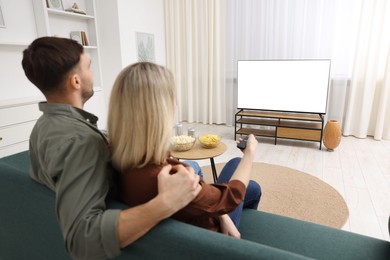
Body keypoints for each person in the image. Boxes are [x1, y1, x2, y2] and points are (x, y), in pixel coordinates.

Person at [21, 36, 202, 260]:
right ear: (75, 81)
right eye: (89, 66)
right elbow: (81, 240)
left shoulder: (44, 126)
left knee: (191, 165)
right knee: (200, 169)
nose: (92, 73)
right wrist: (164, 204)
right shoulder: (82, 142)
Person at [108, 62, 261, 237]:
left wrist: (221, 213)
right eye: (173, 97)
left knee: (253, 187)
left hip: (205, 212)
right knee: (238, 164)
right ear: (161, 110)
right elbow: (231, 197)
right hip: (212, 235)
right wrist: (250, 152)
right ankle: (241, 244)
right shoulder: (172, 177)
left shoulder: (120, 161)